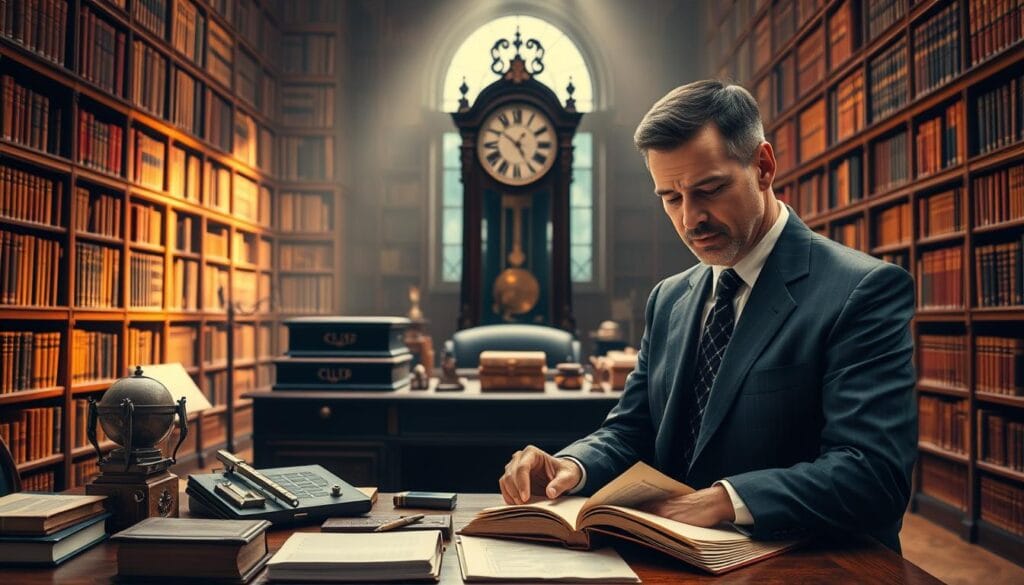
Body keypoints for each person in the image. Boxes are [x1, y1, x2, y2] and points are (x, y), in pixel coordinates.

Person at [498, 80, 916, 552]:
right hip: (677, 561)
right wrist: (572, 466)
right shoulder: (669, 298)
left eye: (709, 190)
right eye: (671, 199)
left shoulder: (862, 291)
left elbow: (873, 474)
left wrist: (725, 500)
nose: (690, 219)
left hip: (815, 566)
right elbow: (633, 428)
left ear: (763, 166)